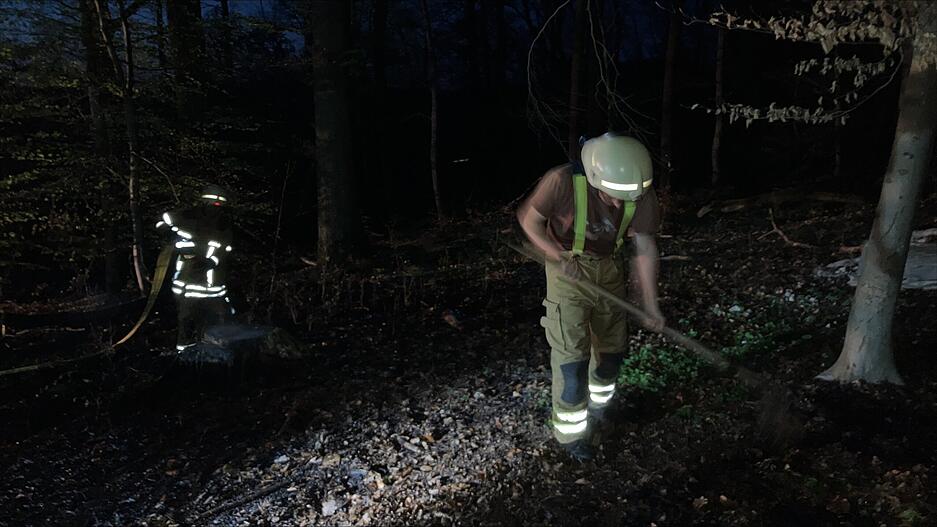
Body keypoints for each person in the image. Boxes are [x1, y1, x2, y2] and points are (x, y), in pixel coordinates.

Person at [516, 133, 664, 462]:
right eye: (610, 196)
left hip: (609, 270)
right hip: (567, 271)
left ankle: (600, 409)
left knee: (611, 355)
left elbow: (644, 249)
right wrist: (555, 254)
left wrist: (650, 306)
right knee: (572, 365)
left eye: (626, 198)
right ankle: (569, 436)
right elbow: (530, 220)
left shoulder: (638, 191)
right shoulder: (560, 182)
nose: (617, 204)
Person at [156, 184, 235, 353]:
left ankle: (216, 353)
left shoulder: (224, 225)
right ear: (204, 202)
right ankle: (182, 354)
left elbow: (227, 249)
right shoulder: (186, 216)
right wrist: (167, 232)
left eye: (219, 206)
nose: (216, 208)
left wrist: (213, 261)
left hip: (214, 286)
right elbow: (162, 221)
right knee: (186, 320)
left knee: (218, 320)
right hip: (187, 283)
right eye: (213, 204)